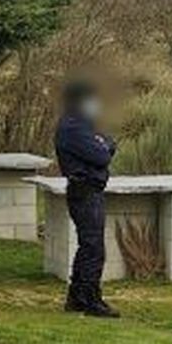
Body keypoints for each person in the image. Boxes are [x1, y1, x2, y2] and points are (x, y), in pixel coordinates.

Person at [54, 79, 120, 318]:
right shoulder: (74, 127)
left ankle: (77, 297)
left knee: (88, 247)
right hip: (86, 193)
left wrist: (106, 145)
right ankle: (91, 299)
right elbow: (102, 155)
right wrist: (105, 146)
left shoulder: (80, 124)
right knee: (93, 249)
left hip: (88, 191)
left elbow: (106, 145)